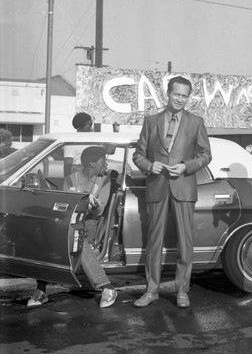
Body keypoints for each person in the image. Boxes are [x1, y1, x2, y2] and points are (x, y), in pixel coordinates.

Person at [132, 76, 212, 308]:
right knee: (154, 242)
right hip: (157, 187)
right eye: (176, 94)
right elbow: (139, 154)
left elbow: (206, 155)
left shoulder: (196, 122)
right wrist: (149, 166)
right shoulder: (151, 121)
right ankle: (152, 290)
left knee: (185, 242)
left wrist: (186, 166)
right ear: (167, 94)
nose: (180, 99)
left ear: (188, 98)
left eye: (184, 96)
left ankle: (182, 291)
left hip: (184, 188)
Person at [28, 146, 117, 308]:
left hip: (90, 226)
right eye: (103, 161)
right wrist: (83, 199)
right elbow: (65, 207)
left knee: (74, 238)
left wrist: (90, 203)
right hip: (70, 224)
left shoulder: (105, 181)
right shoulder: (71, 179)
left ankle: (42, 290)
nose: (106, 164)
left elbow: (100, 211)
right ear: (91, 163)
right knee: (49, 233)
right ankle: (107, 287)